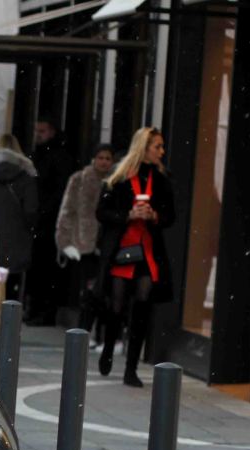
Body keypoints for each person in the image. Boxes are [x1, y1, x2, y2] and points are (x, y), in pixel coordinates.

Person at [95, 128, 175, 388]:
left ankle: (131, 367)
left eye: (162, 146)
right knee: (116, 305)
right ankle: (108, 348)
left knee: (142, 305)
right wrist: (127, 215)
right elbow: (102, 211)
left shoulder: (161, 179)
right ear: (144, 147)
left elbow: (171, 215)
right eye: (157, 146)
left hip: (148, 251)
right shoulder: (120, 176)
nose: (161, 151)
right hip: (123, 250)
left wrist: (154, 216)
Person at [0, 133, 37, 342]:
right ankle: (8, 328)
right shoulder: (26, 176)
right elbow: (31, 211)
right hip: (17, 235)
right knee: (11, 283)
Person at [56, 143, 115, 345]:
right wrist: (64, 242)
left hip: (108, 243)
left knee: (104, 291)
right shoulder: (79, 180)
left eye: (108, 158)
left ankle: (100, 334)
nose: (104, 162)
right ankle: (85, 332)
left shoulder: (116, 181)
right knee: (89, 290)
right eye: (101, 157)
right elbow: (67, 211)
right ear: (93, 159)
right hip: (84, 244)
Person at [27, 117, 76, 325]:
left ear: (52, 132)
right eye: (37, 130)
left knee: (45, 268)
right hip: (43, 219)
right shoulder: (41, 155)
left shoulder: (55, 157)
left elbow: (58, 191)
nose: (39, 135)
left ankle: (44, 311)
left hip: (49, 221)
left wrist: (44, 211)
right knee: (40, 268)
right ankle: (39, 309)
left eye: (43, 131)